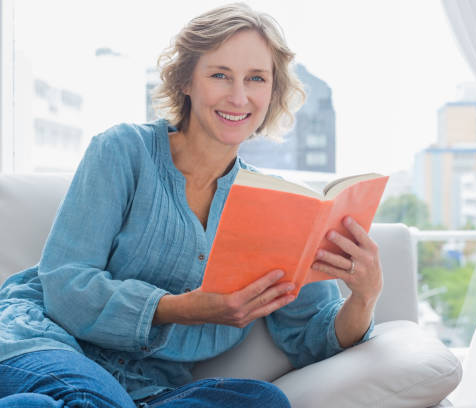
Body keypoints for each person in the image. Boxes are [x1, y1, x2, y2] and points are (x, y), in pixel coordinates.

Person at [0, 3, 383, 407]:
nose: (239, 97)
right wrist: (182, 308)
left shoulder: (278, 206)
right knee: (85, 396)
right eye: (220, 75)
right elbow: (65, 285)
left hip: (148, 389)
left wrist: (365, 296)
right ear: (185, 80)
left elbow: (312, 337)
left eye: (256, 78)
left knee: (262, 401)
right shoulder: (123, 151)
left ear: (272, 92)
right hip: (43, 344)